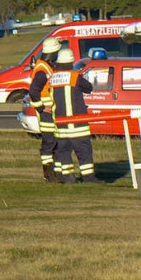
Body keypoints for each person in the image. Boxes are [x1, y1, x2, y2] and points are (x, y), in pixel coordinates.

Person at [49, 48, 98, 183]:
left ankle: (67, 178)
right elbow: (88, 88)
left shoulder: (52, 78)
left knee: (63, 153)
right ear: (71, 62)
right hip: (78, 125)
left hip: (60, 126)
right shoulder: (75, 77)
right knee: (84, 152)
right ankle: (88, 178)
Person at [27, 37, 62, 183]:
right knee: (49, 143)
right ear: (53, 52)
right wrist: (41, 107)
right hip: (46, 114)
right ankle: (49, 174)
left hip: (50, 113)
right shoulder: (42, 70)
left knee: (54, 142)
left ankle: (56, 173)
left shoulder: (46, 67)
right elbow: (33, 91)